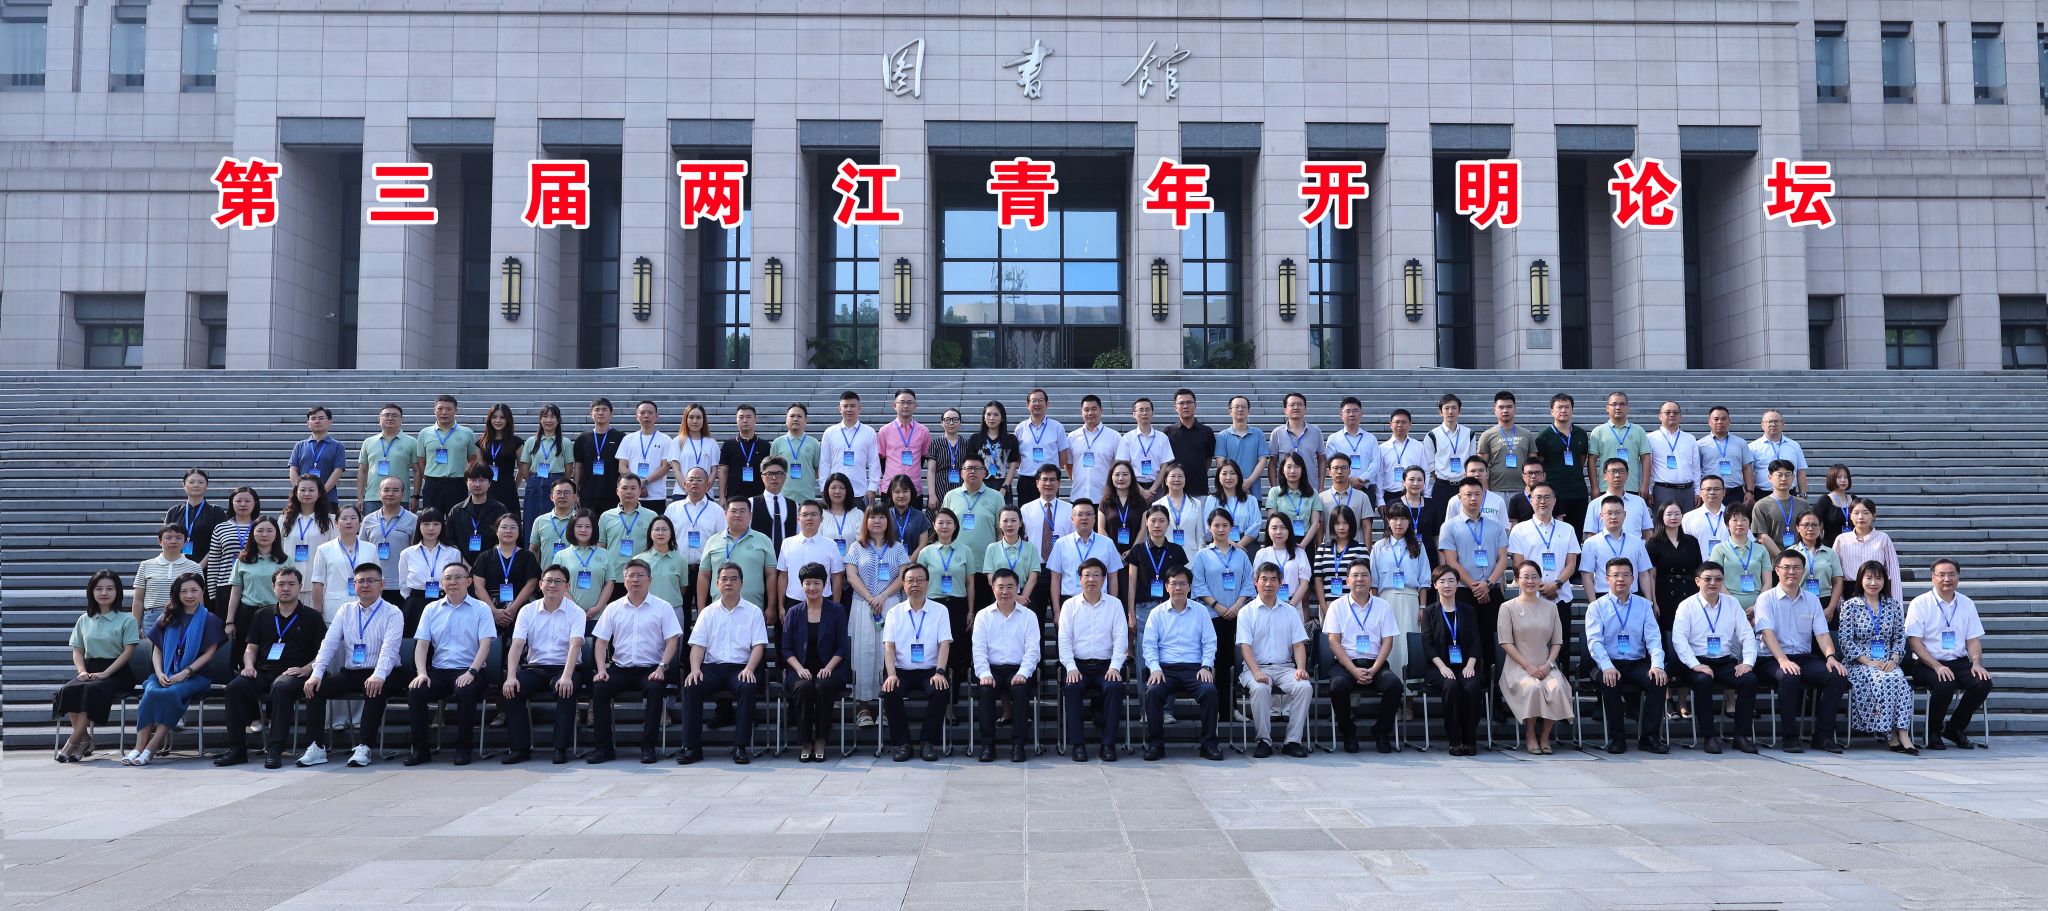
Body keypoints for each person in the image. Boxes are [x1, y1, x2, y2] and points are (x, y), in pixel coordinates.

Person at [216, 567, 327, 767]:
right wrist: (248, 665)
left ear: (300, 587)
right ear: (273, 587)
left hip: (295, 673)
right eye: (281, 584)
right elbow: (251, 648)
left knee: (281, 687)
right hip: (263, 671)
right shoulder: (262, 614)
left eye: (291, 584)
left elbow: (324, 653)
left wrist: (306, 669)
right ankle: (236, 750)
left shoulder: (312, 617)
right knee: (234, 687)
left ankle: (275, 750)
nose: (286, 588)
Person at [296, 564, 403, 768]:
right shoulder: (345, 610)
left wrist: (379, 675)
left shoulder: (393, 612)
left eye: (371, 580)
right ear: (354, 585)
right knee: (316, 688)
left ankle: (364, 746)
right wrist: (316, 673)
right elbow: (329, 643)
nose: (365, 585)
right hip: (352, 672)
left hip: (386, 672)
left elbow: (390, 648)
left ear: (382, 584)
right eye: (360, 581)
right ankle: (316, 746)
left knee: (375, 688)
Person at [1753, 550, 1850, 753]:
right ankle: (1790, 737)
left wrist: (1831, 656)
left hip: (1803, 658)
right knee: (1789, 676)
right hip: (1771, 659)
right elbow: (1767, 634)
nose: (1792, 572)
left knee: (1837, 676)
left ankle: (1823, 736)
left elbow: (1822, 634)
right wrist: (1783, 660)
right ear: (1777, 570)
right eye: (1786, 567)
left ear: (1803, 571)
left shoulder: (1812, 600)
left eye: (1796, 567)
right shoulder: (1766, 599)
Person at [123, 574, 225, 766]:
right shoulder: (168, 616)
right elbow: (157, 650)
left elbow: (209, 654)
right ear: (176, 594)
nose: (189, 595)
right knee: (151, 691)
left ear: (202, 591)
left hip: (196, 675)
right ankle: (138, 747)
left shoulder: (210, 619)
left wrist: (185, 673)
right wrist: (159, 672)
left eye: (194, 590)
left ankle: (152, 746)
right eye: (184, 591)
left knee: (172, 693)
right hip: (165, 672)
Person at [587, 559, 682, 764]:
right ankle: (603, 749)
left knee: (655, 688)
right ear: (624, 580)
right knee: (600, 688)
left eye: (640, 575)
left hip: (652, 668)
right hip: (621, 668)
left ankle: (648, 747)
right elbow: (601, 642)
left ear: (650, 579)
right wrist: (602, 669)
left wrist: (662, 667)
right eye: (631, 575)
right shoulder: (613, 608)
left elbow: (672, 641)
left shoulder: (663, 607)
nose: (635, 579)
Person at [403, 563, 496, 766]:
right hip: (439, 671)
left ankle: (463, 748)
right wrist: (421, 673)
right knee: (416, 691)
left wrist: (471, 672)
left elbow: (485, 645)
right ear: (442, 583)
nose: (452, 582)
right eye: (447, 578)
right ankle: (420, 750)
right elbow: (422, 645)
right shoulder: (431, 609)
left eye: (458, 577)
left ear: (469, 581)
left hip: (470, 670)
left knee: (466, 690)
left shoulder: (481, 609)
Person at [678, 563, 769, 765]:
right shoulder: (707, 613)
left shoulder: (753, 611)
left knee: (747, 686)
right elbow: (698, 646)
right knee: (692, 685)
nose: (729, 583)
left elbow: (758, 646)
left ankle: (741, 747)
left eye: (734, 579)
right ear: (717, 583)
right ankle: (691, 747)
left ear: (741, 583)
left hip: (741, 668)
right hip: (712, 668)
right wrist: (695, 669)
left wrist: (750, 668)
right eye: (724, 579)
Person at [1583, 558, 1670, 755]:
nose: (1620, 579)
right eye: (1615, 575)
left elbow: (1654, 639)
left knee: (1657, 680)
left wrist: (1657, 665)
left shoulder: (1644, 605)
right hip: (1607, 662)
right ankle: (1617, 738)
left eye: (1625, 575)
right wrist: (1607, 666)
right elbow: (1594, 642)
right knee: (1610, 681)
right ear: (1607, 579)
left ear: (1633, 579)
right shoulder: (1596, 607)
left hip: (1636, 662)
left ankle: (1650, 737)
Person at [1670, 562, 1759, 754]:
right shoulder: (1687, 606)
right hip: (1695, 662)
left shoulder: (1732, 603)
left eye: (1718, 579)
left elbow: (1747, 634)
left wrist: (1747, 662)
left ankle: (1741, 736)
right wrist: (1695, 665)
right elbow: (1679, 640)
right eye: (1708, 579)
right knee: (1703, 681)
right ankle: (1709, 736)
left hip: (1724, 660)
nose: (1713, 583)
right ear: (1697, 581)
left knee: (1749, 680)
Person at [1905, 558, 1994, 750]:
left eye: (1952, 574)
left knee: (1983, 682)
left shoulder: (1967, 603)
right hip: (1927, 663)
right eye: (1942, 575)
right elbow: (1914, 642)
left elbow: (1972, 640)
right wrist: (1937, 666)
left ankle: (1954, 729)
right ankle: (1933, 732)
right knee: (1945, 682)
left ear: (1958, 578)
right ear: (1933, 578)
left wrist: (1976, 663)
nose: (1947, 579)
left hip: (1958, 661)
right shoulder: (1920, 603)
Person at [500, 565, 584, 764]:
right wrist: (511, 676)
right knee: (513, 689)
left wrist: (566, 676)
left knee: (566, 689)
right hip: (535, 668)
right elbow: (517, 645)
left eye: (558, 581)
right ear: (540, 584)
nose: (553, 585)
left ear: (567, 586)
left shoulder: (576, 611)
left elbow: (575, 645)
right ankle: (520, 748)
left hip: (565, 667)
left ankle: (560, 749)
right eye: (549, 581)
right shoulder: (527, 611)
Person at [53, 571, 140, 763]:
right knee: (69, 690)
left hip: (118, 672)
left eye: (110, 588)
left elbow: (128, 652)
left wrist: (106, 673)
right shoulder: (84, 619)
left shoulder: (127, 619)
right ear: (91, 592)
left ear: (117, 592)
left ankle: (71, 742)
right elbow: (77, 650)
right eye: (99, 588)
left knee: (91, 691)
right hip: (90, 669)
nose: (104, 593)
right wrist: (82, 671)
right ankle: (85, 740)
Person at [1137, 566, 1222, 760]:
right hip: (1165, 669)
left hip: (1195, 669)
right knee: (1153, 692)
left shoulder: (1201, 611)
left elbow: (1210, 642)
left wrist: (1206, 666)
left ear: (1189, 587)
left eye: (1182, 584)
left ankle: (1209, 744)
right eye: (1173, 583)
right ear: (1166, 587)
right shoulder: (1157, 613)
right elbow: (1148, 645)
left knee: (1209, 692)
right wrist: (1155, 668)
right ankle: (1155, 744)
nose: (1178, 588)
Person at [1324, 562, 1403, 754]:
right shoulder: (1336, 606)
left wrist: (1374, 669)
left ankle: (1381, 731)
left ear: (1371, 580)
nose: (1360, 579)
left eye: (1364, 575)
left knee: (1394, 685)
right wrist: (1353, 670)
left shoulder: (1383, 606)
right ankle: (1348, 732)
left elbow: (1388, 641)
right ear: (1347, 580)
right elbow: (1334, 642)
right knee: (1337, 686)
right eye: (1355, 575)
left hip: (1375, 664)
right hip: (1345, 664)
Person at [1237, 562, 1313, 758]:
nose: (1268, 584)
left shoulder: (1290, 611)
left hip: (1285, 668)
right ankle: (1264, 740)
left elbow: (1298, 645)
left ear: (1280, 583)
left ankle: (1293, 741)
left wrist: (1301, 668)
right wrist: (1256, 672)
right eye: (1264, 579)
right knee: (1260, 688)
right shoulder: (1246, 612)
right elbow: (1245, 647)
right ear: (1256, 582)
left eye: (1273, 579)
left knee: (1304, 687)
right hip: (1255, 668)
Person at [1838, 560, 1914, 753]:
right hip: (1859, 663)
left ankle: (1903, 733)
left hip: (1888, 662)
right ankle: (1891, 734)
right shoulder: (1850, 606)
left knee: (1899, 679)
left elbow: (1900, 637)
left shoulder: (1892, 605)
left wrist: (1894, 659)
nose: (1873, 583)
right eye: (1869, 578)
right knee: (1884, 680)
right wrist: (1868, 662)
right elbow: (1845, 640)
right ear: (1860, 580)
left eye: (1878, 578)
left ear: (1884, 581)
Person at [1496, 561, 1572, 755]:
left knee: (1557, 688)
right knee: (1533, 688)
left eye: (1534, 577)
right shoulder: (1507, 607)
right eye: (1525, 577)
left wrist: (1548, 664)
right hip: (1518, 667)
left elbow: (1557, 642)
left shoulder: (1551, 608)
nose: (1530, 581)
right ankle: (1530, 734)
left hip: (1546, 665)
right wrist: (1528, 666)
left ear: (1540, 579)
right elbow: (1505, 642)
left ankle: (1545, 736)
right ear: (1517, 580)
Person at [1437, 478, 1508, 682]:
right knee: (1465, 639)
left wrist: (1489, 583)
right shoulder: (1449, 526)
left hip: (1491, 590)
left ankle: (1494, 689)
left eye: (1477, 494)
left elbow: (1503, 559)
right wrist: (1475, 587)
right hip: (1463, 592)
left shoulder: (1496, 526)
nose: (1473, 498)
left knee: (1492, 639)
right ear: (1459, 497)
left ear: (1483, 496)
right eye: (1468, 494)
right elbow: (1451, 561)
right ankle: (1468, 687)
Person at [846, 504, 909, 727]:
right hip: (863, 605)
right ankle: (863, 706)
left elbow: (903, 577)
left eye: (882, 517)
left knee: (888, 653)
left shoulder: (897, 548)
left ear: (887, 521)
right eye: (872, 517)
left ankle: (886, 705)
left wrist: (882, 596)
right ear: (866, 521)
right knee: (863, 653)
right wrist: (871, 597)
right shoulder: (856, 547)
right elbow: (851, 576)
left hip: (890, 604)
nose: (877, 521)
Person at [882, 564, 953, 761]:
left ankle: (928, 742)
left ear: (927, 583)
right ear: (903, 584)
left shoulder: (940, 611)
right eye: (910, 581)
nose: (915, 584)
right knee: (890, 691)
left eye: (920, 580)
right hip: (901, 670)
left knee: (940, 690)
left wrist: (940, 671)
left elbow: (944, 644)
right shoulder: (894, 612)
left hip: (930, 671)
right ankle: (902, 744)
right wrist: (891, 674)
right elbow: (889, 647)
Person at [1058, 558, 1127, 762]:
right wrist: (1070, 667)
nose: (1091, 579)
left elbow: (1121, 639)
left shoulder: (1115, 605)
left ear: (1104, 579)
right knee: (1072, 688)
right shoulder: (1069, 605)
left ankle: (1108, 744)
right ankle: (1078, 744)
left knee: (1115, 687)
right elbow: (1064, 640)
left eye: (1096, 575)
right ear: (1079, 579)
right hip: (1078, 665)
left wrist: (1115, 667)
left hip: (1106, 666)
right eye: (1087, 575)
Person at [973, 568, 1042, 762]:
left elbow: (1033, 651)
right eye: (1000, 587)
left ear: (1017, 588)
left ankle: (1018, 745)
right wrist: (984, 673)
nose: (1005, 591)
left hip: (1017, 669)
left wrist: (1024, 672)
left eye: (1010, 587)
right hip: (992, 669)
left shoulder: (1029, 616)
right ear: (993, 589)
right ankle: (987, 745)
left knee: (1020, 688)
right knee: (985, 690)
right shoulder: (983, 615)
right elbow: (978, 650)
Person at [782, 562, 849, 762]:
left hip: (831, 668)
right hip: (799, 669)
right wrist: (799, 668)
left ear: (825, 584)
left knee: (823, 686)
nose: (812, 587)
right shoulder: (794, 612)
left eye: (817, 583)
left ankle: (820, 740)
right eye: (808, 583)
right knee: (803, 687)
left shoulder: (836, 610)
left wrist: (828, 667)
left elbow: (842, 646)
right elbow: (786, 648)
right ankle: (805, 742)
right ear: (801, 585)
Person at [1419, 565, 1486, 755]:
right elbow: (1428, 644)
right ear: (1435, 585)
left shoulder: (1468, 610)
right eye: (1442, 581)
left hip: (1466, 665)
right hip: (1439, 667)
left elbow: (1476, 641)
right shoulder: (1429, 612)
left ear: (1457, 584)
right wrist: (1441, 667)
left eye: (1451, 581)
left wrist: (1471, 664)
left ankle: (1470, 739)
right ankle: (1454, 740)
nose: (1447, 585)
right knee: (1451, 686)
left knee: (1472, 686)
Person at [1646, 501, 1701, 718]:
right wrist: (1653, 601)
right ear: (1661, 517)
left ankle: (1684, 700)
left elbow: (1698, 570)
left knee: (1687, 644)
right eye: (1669, 514)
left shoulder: (1691, 541)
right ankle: (1668, 698)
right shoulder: (1654, 543)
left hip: (1688, 594)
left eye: (1677, 513)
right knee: (1667, 648)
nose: (1674, 517)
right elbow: (1651, 575)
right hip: (1664, 595)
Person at [1127, 505, 1191, 691]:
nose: (1157, 525)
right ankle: (1145, 705)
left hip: (1170, 608)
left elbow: (1182, 583)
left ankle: (1167, 705)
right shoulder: (1138, 550)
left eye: (1162, 521)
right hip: (1144, 609)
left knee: (1167, 659)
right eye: (1153, 521)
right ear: (1146, 523)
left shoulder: (1177, 551)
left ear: (1168, 524)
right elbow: (1131, 584)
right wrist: (1131, 613)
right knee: (1144, 660)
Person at [1192, 509, 1253, 689]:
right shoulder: (1202, 555)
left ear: (1231, 528)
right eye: (1216, 525)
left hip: (1238, 615)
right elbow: (1198, 584)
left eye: (1225, 525)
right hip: (1212, 615)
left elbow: (1249, 582)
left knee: (1236, 659)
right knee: (1218, 661)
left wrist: (1237, 606)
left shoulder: (1241, 554)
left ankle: (1232, 702)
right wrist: (1216, 605)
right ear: (1209, 528)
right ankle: (1219, 703)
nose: (1220, 529)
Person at [917, 509, 975, 698]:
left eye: (949, 522)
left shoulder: (965, 551)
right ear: (934, 526)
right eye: (940, 522)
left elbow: (970, 583)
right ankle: (937, 696)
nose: (944, 526)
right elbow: (920, 582)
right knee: (934, 650)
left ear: (955, 526)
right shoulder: (926, 552)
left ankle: (952, 700)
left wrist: (970, 611)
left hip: (957, 606)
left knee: (955, 653)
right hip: (933, 604)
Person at [1371, 503, 1426, 684]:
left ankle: (1410, 693)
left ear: (1409, 522)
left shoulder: (1418, 545)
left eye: (1403, 518)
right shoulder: (1379, 546)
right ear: (1388, 521)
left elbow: (1424, 579)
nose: (1399, 523)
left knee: (1407, 645)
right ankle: (1389, 687)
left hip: (1410, 599)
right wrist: (1374, 606)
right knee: (1390, 644)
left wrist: (1422, 606)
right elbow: (1374, 580)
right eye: (1394, 518)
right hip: (1386, 600)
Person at [700, 499, 777, 623]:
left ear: (750, 515)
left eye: (742, 511)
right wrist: (701, 608)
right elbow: (704, 575)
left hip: (753, 610)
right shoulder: (712, 541)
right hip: (718, 609)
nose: (737, 515)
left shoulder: (764, 540)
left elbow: (771, 575)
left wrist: (771, 606)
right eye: (733, 511)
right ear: (725, 514)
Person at [225, 517, 292, 655]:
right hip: (248, 612)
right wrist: (229, 621)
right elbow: (236, 592)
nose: (264, 534)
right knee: (244, 652)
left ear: (276, 534)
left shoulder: (285, 560)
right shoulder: (242, 560)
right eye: (260, 530)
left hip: (276, 612)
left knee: (272, 653)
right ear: (252, 534)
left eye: (269, 531)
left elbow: (291, 590)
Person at [474, 513, 542, 640]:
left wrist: (513, 609)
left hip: (520, 610)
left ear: (519, 531)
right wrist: (493, 611)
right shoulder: (485, 556)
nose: (508, 531)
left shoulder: (528, 556)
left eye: (513, 527)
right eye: (504, 527)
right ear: (496, 531)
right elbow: (478, 587)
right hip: (489, 610)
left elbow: (531, 584)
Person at [1048, 499, 1125, 611]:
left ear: (1094, 518)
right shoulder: (1061, 544)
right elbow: (1055, 579)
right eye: (1080, 514)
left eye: (1088, 514)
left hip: (1100, 602)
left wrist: (1112, 607)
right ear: (1072, 519)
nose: (1084, 518)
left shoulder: (1107, 543)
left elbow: (1113, 578)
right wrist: (1056, 611)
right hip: (1069, 602)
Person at [398, 509, 465, 635]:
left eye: (436, 524)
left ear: (442, 526)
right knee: (417, 641)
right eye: (426, 524)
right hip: (416, 603)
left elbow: (456, 579)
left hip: (444, 601)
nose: (431, 528)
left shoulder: (453, 553)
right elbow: (403, 585)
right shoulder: (407, 553)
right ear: (419, 526)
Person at [664, 468, 724, 607]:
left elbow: (722, 541)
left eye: (699, 480)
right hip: (678, 570)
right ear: (684, 484)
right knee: (680, 611)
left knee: (707, 611)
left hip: (707, 571)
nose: (694, 483)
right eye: (691, 480)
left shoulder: (717, 511)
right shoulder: (673, 509)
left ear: (708, 485)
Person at [200, 485, 262, 617]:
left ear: (255, 503)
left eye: (247, 501)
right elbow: (214, 561)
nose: (243, 504)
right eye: (238, 500)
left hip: (254, 584)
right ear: (231, 503)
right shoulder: (221, 528)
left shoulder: (262, 527)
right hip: (225, 584)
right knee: (226, 626)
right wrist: (213, 593)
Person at [777, 500, 846, 617]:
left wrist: (835, 606)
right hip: (793, 602)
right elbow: (783, 576)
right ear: (798, 519)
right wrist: (781, 606)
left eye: (814, 514)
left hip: (824, 602)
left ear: (821, 519)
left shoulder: (830, 545)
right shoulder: (787, 543)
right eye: (804, 515)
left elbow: (836, 577)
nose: (809, 518)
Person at [1534, 393, 1592, 531]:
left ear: (1572, 410)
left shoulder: (1581, 434)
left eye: (1567, 407)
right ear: (1552, 411)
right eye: (1559, 407)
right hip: (1554, 493)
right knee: (1554, 532)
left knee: (1577, 532)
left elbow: (1581, 460)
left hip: (1578, 492)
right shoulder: (1544, 436)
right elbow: (1540, 464)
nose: (1563, 410)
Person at [1580, 496, 1653, 604]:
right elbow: (1587, 576)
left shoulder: (1637, 542)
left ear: (1624, 515)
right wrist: (1593, 605)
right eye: (1609, 513)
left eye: (1618, 513)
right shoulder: (1591, 543)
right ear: (1601, 516)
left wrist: (1649, 602)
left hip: (1633, 597)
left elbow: (1643, 574)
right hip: (1603, 597)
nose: (1613, 517)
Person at [1020, 466, 1077, 602]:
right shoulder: (1026, 509)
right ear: (1037, 483)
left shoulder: (1070, 510)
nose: (1048, 483)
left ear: (1059, 483)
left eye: (1052, 480)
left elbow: (1074, 540)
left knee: (1062, 612)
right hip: (1035, 569)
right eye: (1044, 479)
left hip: (1062, 569)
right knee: (1036, 612)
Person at [416, 395, 480, 515]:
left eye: (449, 409)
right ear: (434, 410)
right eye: (440, 409)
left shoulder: (467, 433)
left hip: (457, 484)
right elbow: (421, 460)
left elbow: (472, 460)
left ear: (456, 410)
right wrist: (429, 476)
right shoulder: (425, 433)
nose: (444, 412)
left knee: (457, 520)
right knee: (431, 519)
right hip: (433, 484)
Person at [550, 510, 617, 624]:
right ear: (572, 528)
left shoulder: (605, 554)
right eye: (579, 526)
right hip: (569, 615)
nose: (583, 530)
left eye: (588, 526)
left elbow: (609, 584)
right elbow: (558, 584)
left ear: (594, 529)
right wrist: (576, 609)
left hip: (599, 616)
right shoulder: (561, 555)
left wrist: (597, 608)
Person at [1252, 513, 1315, 633]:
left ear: (1289, 530)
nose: (1278, 532)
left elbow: (1304, 583)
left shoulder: (1299, 553)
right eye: (1274, 528)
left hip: (1294, 606)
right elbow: (1257, 581)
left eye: (1283, 527)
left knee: (1294, 641)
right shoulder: (1262, 553)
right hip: (1268, 606)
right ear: (1268, 530)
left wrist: (1290, 606)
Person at [939, 454, 1002, 573]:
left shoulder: (996, 497)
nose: (972, 471)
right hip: (955, 564)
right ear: (962, 473)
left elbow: (1000, 531)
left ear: (984, 473)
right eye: (968, 468)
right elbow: (942, 529)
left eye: (977, 468)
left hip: (986, 565)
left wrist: (998, 559)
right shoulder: (951, 496)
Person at [1833, 497, 1903, 602]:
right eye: (1856, 513)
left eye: (1866, 513)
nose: (1861, 517)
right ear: (1850, 515)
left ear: (1873, 515)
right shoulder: (1841, 539)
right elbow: (1834, 572)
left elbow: (1894, 572)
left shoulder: (1883, 538)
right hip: (1850, 591)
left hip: (1876, 590)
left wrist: (1897, 604)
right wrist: (1838, 601)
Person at [306, 504, 371, 616]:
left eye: (353, 518)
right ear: (336, 523)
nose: (349, 522)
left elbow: (377, 580)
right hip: (334, 610)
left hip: (365, 607)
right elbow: (317, 582)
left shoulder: (371, 548)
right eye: (344, 518)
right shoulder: (324, 549)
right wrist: (318, 611)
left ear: (360, 523)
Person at [358, 403, 422, 514]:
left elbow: (417, 471)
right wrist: (360, 497)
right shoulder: (368, 442)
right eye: (386, 415)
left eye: (394, 415)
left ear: (401, 420)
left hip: (400, 497)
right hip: (373, 498)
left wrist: (415, 496)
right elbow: (362, 471)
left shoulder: (412, 442)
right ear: (379, 419)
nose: (390, 418)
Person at [1314, 505, 1372, 625]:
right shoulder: (1323, 549)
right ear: (1332, 525)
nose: (1341, 527)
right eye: (1337, 523)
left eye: (1345, 523)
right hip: (1328, 605)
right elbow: (1318, 580)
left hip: (1354, 605)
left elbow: (1366, 579)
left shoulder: (1360, 548)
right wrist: (1324, 607)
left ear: (1351, 524)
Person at [1424, 394, 1475, 529]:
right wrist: (1442, 479)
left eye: (1454, 408)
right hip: (1442, 486)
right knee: (1442, 525)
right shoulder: (1432, 435)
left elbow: (1472, 460)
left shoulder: (1469, 433)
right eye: (1446, 408)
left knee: (1465, 523)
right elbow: (1430, 465)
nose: (1450, 412)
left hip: (1463, 485)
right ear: (1440, 412)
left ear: (1460, 411)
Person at [820, 390, 881, 502]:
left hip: (860, 492)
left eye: (853, 406)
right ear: (839, 409)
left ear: (859, 408)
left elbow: (874, 463)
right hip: (835, 492)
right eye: (845, 406)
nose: (849, 409)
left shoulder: (869, 432)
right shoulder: (830, 432)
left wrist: (872, 488)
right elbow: (824, 463)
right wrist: (824, 488)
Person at [1319, 396, 1382, 504]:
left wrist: (1361, 479)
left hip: (1366, 488)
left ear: (1361, 414)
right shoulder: (1333, 439)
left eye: (1355, 411)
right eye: (1347, 411)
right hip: (1341, 488)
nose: (1351, 414)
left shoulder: (1371, 438)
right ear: (1341, 415)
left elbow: (1376, 463)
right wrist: (1348, 480)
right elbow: (1331, 463)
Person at [1707, 510, 1770, 614]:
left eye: (1744, 519)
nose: (1740, 523)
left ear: (1750, 524)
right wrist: (1734, 606)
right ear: (1727, 524)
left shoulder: (1761, 549)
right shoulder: (1719, 549)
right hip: (1727, 606)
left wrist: (1758, 606)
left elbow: (1767, 582)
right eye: (1735, 520)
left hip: (1758, 608)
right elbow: (1716, 580)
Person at [619, 400, 678, 512]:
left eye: (650, 413)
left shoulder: (665, 439)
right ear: (637, 416)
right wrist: (637, 484)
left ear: (656, 416)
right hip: (631, 496)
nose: (646, 415)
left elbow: (665, 467)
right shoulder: (628, 439)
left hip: (656, 496)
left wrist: (644, 482)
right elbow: (622, 466)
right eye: (642, 412)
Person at [362, 478, 418, 595]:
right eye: (386, 490)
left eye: (395, 490)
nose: (390, 494)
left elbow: (416, 552)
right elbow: (361, 550)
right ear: (380, 493)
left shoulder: (413, 520)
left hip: (402, 584)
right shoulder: (368, 520)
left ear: (403, 494)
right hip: (373, 584)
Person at [517, 403, 570, 529]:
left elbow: (569, 467)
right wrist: (531, 480)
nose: (548, 420)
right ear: (540, 419)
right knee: (531, 520)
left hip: (556, 482)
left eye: (552, 417)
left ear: (558, 420)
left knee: (554, 520)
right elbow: (524, 465)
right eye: (545, 416)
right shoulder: (531, 441)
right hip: (535, 482)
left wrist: (561, 483)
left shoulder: (565, 442)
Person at [1643, 401, 1700, 515]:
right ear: (1660, 416)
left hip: (1687, 491)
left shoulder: (1690, 438)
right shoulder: (1650, 438)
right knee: (1661, 523)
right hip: (1663, 490)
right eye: (1667, 412)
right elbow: (1645, 467)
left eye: (1675, 412)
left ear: (1680, 416)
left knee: (1687, 523)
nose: (1672, 415)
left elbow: (1695, 468)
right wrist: (1648, 489)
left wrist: (1697, 491)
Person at [446, 464, 510, 564]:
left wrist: (485, 565)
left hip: (492, 564)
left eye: (482, 480)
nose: (477, 484)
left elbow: (503, 539)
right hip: (462, 565)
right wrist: (464, 563)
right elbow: (450, 540)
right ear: (467, 482)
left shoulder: (500, 510)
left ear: (489, 483)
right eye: (473, 480)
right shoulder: (456, 511)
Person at [1588, 391, 1649, 496]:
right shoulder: (1598, 432)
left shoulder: (1639, 431)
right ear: (1607, 408)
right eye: (1614, 404)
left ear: (1628, 407)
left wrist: (1645, 485)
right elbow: (1592, 460)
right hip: (1606, 488)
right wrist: (1594, 486)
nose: (1618, 407)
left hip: (1632, 487)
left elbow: (1646, 458)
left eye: (1622, 404)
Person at [1749, 459, 1811, 561]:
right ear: (1770, 477)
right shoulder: (1761, 505)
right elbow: (1762, 536)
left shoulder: (1803, 504)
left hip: (1800, 560)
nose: (1784, 479)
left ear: (1793, 478)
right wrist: (1782, 558)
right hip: (1773, 562)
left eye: (1787, 475)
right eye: (1779, 475)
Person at [1161, 388, 1219, 498]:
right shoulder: (1168, 432)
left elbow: (1208, 459)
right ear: (1175, 407)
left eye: (1189, 402)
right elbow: (1164, 461)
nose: (1185, 406)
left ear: (1195, 405)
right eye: (1181, 403)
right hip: (1173, 491)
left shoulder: (1206, 432)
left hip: (1199, 489)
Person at [1475, 390, 1534, 497]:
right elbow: (1481, 467)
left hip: (1523, 490)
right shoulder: (1487, 435)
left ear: (1515, 409)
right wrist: (1486, 491)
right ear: (1495, 410)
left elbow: (1534, 464)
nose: (1505, 410)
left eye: (1509, 407)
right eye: (1501, 407)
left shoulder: (1527, 435)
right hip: (1496, 490)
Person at [876, 388, 930, 504]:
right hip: (890, 489)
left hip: (914, 488)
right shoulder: (884, 431)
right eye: (902, 402)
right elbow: (882, 459)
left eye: (909, 403)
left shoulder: (923, 431)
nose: (906, 406)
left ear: (915, 406)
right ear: (894, 405)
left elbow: (922, 457)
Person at [1012, 389, 1066, 503]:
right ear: (1028, 405)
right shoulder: (1020, 428)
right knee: (1026, 512)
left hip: (1049, 482)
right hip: (1026, 481)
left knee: (1050, 511)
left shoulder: (1057, 427)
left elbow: (1063, 458)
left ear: (1047, 404)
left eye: (1041, 400)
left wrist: (1050, 472)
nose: (1037, 404)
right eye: (1034, 401)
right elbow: (1017, 457)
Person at [573, 398, 625, 516]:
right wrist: (575, 491)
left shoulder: (620, 437)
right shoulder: (583, 438)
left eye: (604, 409)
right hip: (588, 493)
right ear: (591, 414)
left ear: (611, 414)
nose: (600, 413)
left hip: (612, 494)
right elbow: (578, 467)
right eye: (597, 410)